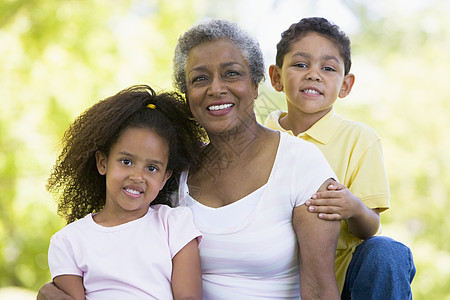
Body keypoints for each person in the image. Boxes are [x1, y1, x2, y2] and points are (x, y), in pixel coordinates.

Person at [38, 20, 341, 300]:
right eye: (199, 79)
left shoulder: (301, 163)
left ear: (255, 83)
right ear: (187, 94)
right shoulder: (173, 174)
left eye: (231, 73)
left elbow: (319, 289)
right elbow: (121, 250)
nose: (216, 88)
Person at [264, 17, 416, 299]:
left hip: (342, 284)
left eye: (328, 68)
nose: (313, 74)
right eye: (300, 64)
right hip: (271, 282)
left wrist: (354, 207)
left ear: (346, 85)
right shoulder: (259, 138)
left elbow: (370, 226)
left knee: (387, 252)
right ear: (276, 77)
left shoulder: (360, 139)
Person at [45, 85, 204, 300]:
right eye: (126, 161)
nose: (137, 176)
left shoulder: (174, 225)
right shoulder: (68, 241)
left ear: (165, 177)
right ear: (103, 163)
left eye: (152, 168)